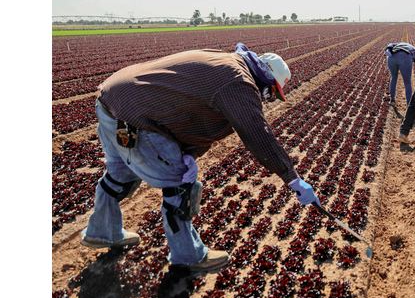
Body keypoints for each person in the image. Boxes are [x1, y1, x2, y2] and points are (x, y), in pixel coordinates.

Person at [80, 43, 320, 271]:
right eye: (273, 92)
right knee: (179, 186)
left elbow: (195, 114)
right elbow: (256, 133)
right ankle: (188, 256)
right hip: (136, 117)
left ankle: (101, 232)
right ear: (266, 80)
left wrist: (190, 154)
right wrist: (292, 178)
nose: (269, 99)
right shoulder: (238, 83)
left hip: (112, 100)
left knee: (120, 175)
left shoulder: (227, 63)